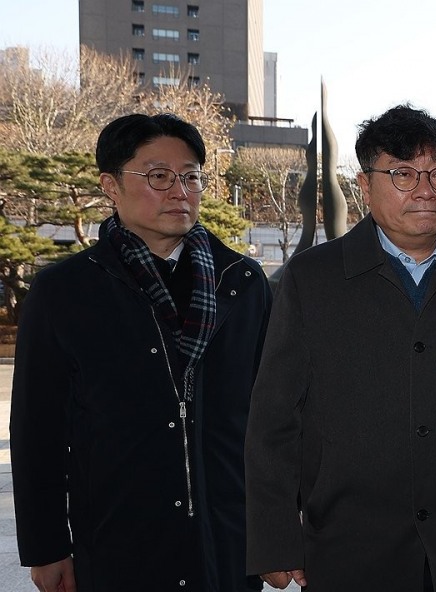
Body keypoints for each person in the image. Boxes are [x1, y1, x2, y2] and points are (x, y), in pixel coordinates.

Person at [244, 104, 436, 591]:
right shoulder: (312, 279)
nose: (425, 189)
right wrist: (274, 538)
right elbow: (274, 418)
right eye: (402, 174)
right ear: (364, 185)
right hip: (351, 544)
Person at [10, 113, 272, 591]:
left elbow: (273, 420)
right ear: (110, 185)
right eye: (158, 177)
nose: (180, 191)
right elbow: (37, 431)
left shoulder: (242, 283)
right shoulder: (64, 291)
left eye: (191, 177)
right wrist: (47, 546)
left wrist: (278, 534)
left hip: (227, 540)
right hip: (118, 540)